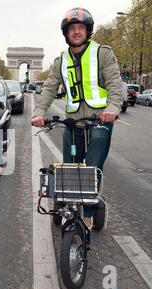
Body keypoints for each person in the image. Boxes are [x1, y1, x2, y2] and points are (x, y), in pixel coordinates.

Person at [31, 7, 122, 229]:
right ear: (66, 33)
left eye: (81, 28)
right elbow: (49, 88)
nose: (77, 32)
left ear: (88, 31)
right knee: (70, 166)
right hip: (73, 122)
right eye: (73, 28)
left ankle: (89, 211)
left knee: (92, 166)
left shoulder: (103, 53)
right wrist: (38, 113)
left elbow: (114, 83)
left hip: (100, 121)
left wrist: (113, 107)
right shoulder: (60, 60)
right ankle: (68, 205)